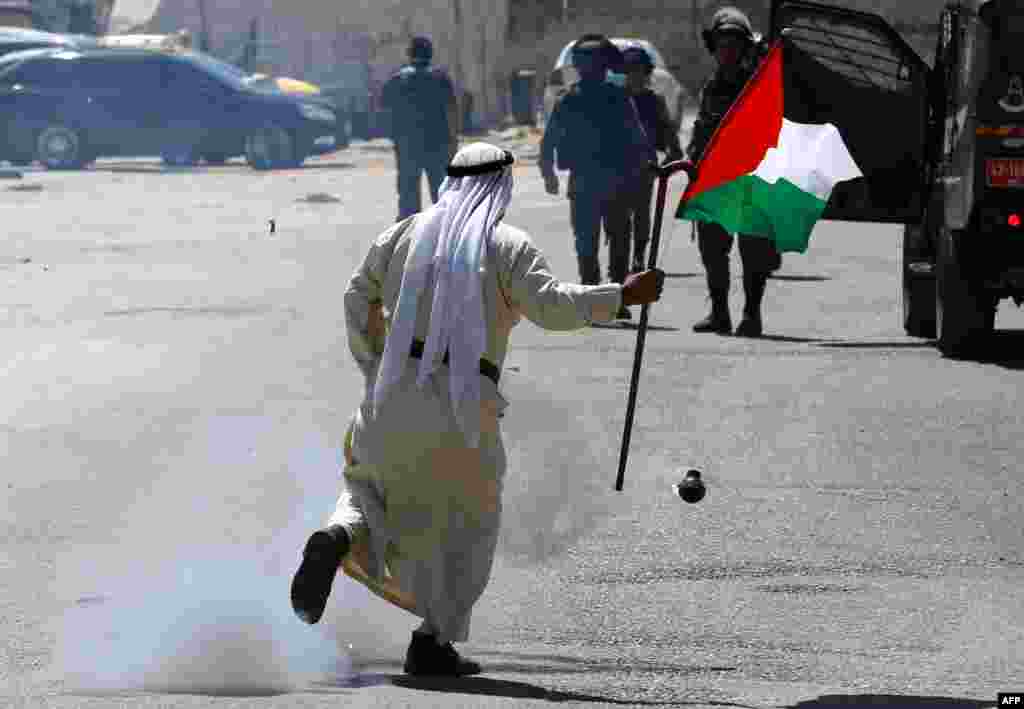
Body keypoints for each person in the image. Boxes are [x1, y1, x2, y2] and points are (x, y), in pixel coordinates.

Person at [290, 142, 666, 677]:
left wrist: (376, 361)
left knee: (367, 488)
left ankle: (338, 536)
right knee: (469, 526)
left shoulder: (401, 233)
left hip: (390, 393)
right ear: (501, 187)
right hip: (464, 408)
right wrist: (622, 294)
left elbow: (357, 297)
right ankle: (431, 642)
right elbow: (554, 308)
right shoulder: (508, 245)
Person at [539, 34, 654, 320]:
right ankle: (612, 299)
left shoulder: (570, 98)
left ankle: (595, 299)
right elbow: (638, 139)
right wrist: (646, 166)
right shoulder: (616, 97)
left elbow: (549, 141)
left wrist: (548, 173)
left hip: (590, 182)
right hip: (614, 182)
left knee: (588, 243)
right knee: (614, 241)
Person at [687, 6, 780, 337]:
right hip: (716, 180)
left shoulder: (758, 81)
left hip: (752, 179)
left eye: (734, 44)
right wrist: (692, 160)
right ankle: (719, 313)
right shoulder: (712, 86)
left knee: (754, 251)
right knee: (713, 251)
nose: (727, 51)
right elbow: (702, 129)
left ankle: (751, 315)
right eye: (722, 44)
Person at [379, 36, 459, 221]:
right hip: (438, 144)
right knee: (441, 194)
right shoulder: (441, 77)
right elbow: (451, 112)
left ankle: (409, 235)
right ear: (430, 54)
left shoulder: (398, 78)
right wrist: (453, 142)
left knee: (408, 196)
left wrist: (395, 135)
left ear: (410, 54)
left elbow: (383, 107)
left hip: (408, 145)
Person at [620, 46, 685, 275]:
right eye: (629, 71)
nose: (634, 76)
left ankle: (638, 257)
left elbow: (672, 142)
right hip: (616, 167)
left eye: (638, 71)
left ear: (646, 73)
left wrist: (662, 167)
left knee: (640, 215)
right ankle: (620, 264)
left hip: (643, 167)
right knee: (619, 218)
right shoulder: (614, 100)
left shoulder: (654, 101)